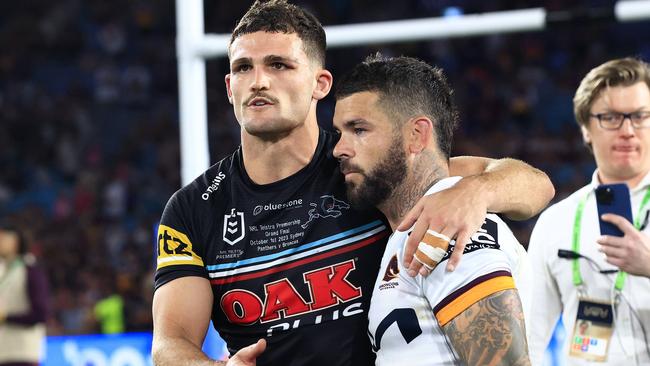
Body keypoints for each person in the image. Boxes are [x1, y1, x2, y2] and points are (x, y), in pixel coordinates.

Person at [151, 1, 553, 365]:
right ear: (229, 87)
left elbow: (534, 186)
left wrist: (474, 191)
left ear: (320, 84)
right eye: (243, 67)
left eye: (279, 65)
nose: (258, 81)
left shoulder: (364, 169)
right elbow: (169, 345)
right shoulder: (193, 209)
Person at [332, 54, 531, 366]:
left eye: (358, 129)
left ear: (416, 136)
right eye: (340, 132)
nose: (339, 148)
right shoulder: (411, 228)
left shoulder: (449, 223)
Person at [528, 57, 650, 365]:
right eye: (610, 117)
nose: (627, 130)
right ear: (585, 129)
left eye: (640, 116)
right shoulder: (555, 222)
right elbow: (528, 336)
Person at [0, 223, 49, 366]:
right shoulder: (3, 270)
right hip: (4, 352)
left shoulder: (30, 271)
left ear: (16, 241)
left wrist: (6, 317)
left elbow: (40, 313)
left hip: (22, 353)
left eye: (3, 237)